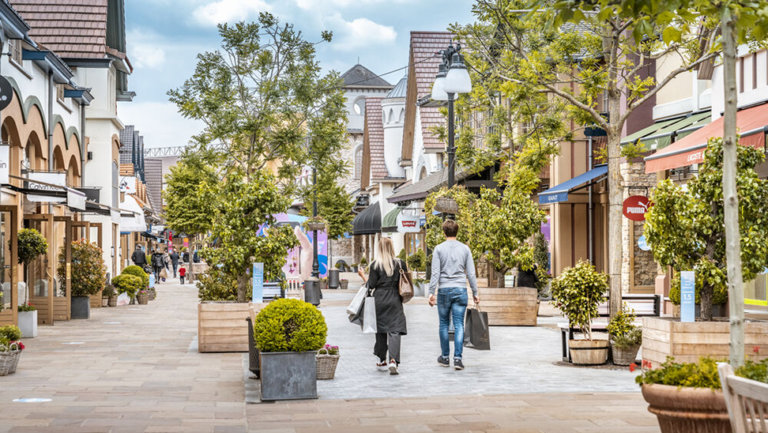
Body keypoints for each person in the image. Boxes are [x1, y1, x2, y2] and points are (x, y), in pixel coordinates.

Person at [428, 219, 479, 371]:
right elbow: (471, 273)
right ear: (457, 231)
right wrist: (475, 292)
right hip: (460, 290)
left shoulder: (438, 249)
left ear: (444, 232)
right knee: (459, 325)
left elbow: (435, 272)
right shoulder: (465, 249)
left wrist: (431, 292)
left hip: (444, 289)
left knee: (443, 324)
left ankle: (444, 357)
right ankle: (458, 359)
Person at [358, 238, 407, 375]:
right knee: (395, 329)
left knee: (380, 329)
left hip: (379, 299)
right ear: (392, 248)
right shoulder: (400, 263)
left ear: (379, 249)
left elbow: (371, 285)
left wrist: (362, 275)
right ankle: (393, 360)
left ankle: (381, 359)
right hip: (395, 298)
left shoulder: (375, 265)